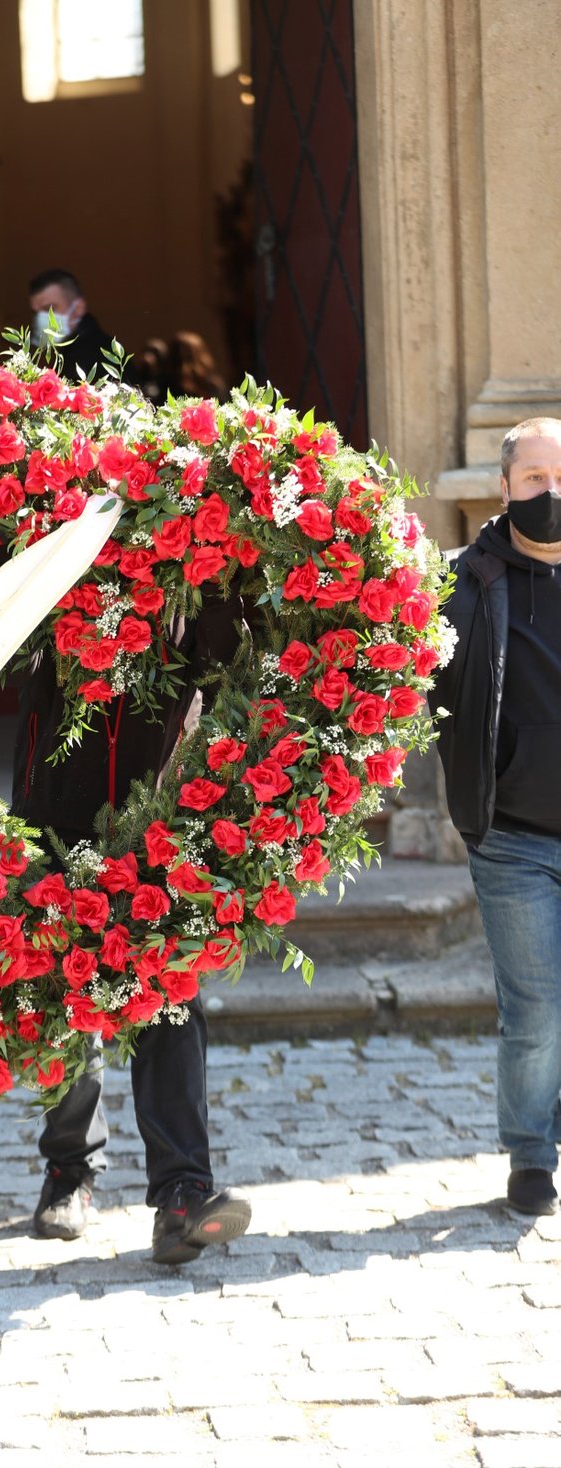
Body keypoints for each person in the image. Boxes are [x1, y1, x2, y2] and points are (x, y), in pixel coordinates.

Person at [0, 530, 252, 1261]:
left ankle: (182, 1194)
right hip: (55, 801)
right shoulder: (45, 538)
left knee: (169, 991)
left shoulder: (189, 542)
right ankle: (69, 1169)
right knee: (61, 987)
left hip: (160, 803)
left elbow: (226, 654)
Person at [431, 416, 561, 1218]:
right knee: (538, 1007)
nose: (551, 494)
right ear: (505, 487)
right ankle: (530, 1154)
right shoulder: (466, 583)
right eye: (536, 480)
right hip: (513, 838)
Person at [28, 268, 116, 381]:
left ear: (78, 308)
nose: (42, 318)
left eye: (50, 308)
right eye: (36, 312)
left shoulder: (98, 357)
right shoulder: (68, 353)